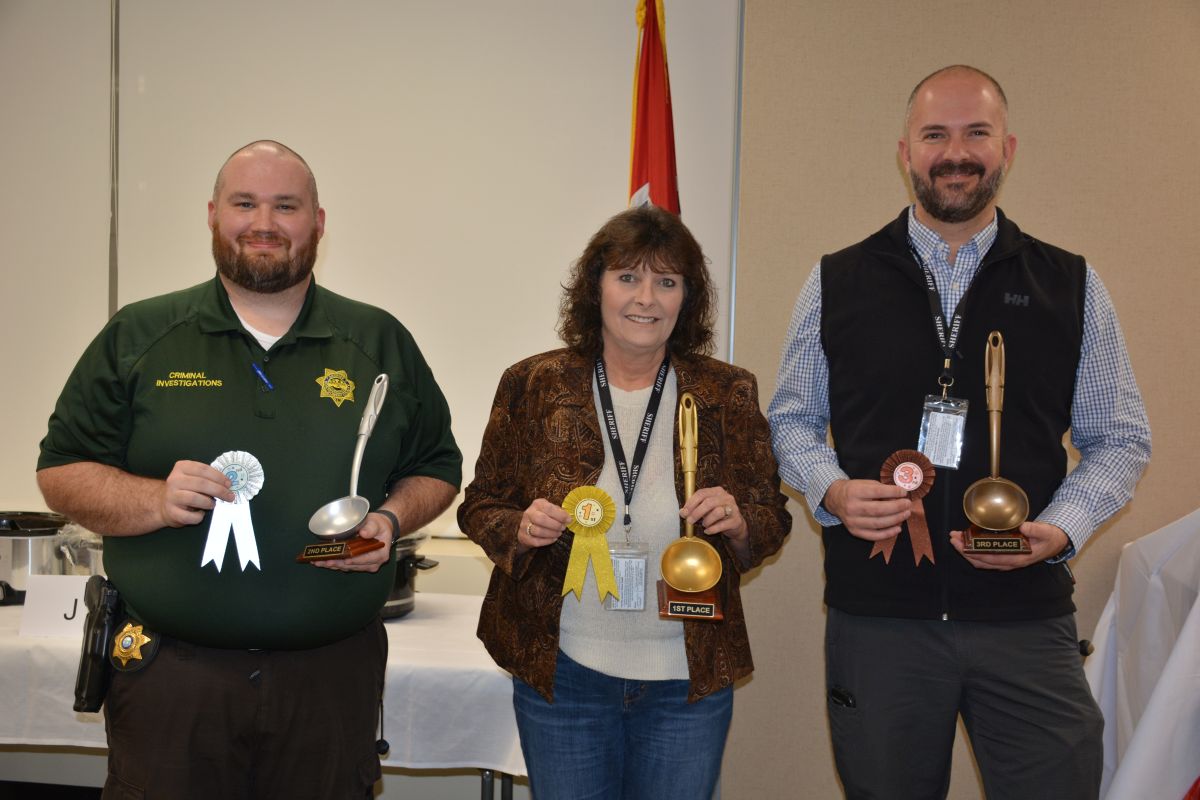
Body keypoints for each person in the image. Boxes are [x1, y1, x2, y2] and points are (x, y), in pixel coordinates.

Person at [769, 65, 1151, 799]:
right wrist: (834, 492)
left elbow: (1121, 438)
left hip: (1025, 618)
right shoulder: (836, 280)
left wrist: (1062, 530)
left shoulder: (1070, 283)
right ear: (905, 152)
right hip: (880, 621)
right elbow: (791, 420)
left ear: (1007, 148)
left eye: (976, 133)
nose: (956, 153)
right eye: (934, 135)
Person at [36, 140, 462, 799]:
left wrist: (390, 518)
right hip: (171, 679)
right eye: (245, 204)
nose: (264, 223)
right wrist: (152, 500)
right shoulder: (140, 336)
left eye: (286, 206)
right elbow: (61, 472)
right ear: (213, 214)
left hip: (330, 679)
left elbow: (436, 467)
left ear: (318, 222)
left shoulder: (378, 342)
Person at [458, 205, 790, 800]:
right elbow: (480, 504)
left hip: (687, 679)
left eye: (667, 281)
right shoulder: (533, 384)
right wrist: (518, 527)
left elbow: (771, 515)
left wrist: (741, 522)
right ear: (596, 288)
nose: (646, 298)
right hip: (562, 673)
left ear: (688, 297)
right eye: (628, 277)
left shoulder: (726, 390)